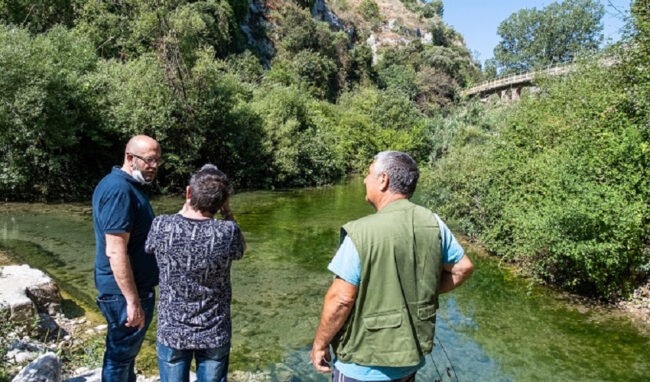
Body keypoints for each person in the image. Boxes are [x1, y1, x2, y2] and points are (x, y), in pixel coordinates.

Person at [310, 151, 474, 381]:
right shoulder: (433, 222)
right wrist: (420, 290)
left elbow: (341, 300)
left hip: (362, 365)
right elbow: (462, 268)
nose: (365, 180)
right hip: (410, 362)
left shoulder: (361, 232)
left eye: (368, 174)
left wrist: (319, 344)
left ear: (383, 180)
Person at [145, 164, 246, 382]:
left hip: (172, 329)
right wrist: (227, 212)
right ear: (221, 203)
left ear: (188, 193)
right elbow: (240, 250)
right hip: (214, 330)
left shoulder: (162, 225)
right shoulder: (227, 231)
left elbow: (149, 248)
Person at [92, 135, 163, 382]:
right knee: (119, 357)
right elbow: (115, 249)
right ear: (130, 158)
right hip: (124, 295)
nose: (154, 166)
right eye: (149, 160)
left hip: (127, 292)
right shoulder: (119, 190)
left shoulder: (123, 186)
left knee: (125, 356)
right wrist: (132, 301)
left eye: (157, 160)